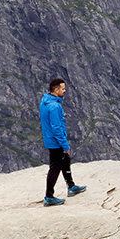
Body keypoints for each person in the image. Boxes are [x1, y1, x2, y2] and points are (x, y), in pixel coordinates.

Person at [39, 78, 85, 206]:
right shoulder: (54, 106)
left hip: (50, 139)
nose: (64, 91)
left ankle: (71, 186)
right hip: (56, 142)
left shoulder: (45, 102)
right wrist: (64, 144)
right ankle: (49, 197)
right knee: (55, 168)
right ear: (56, 89)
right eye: (63, 89)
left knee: (66, 161)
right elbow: (56, 128)